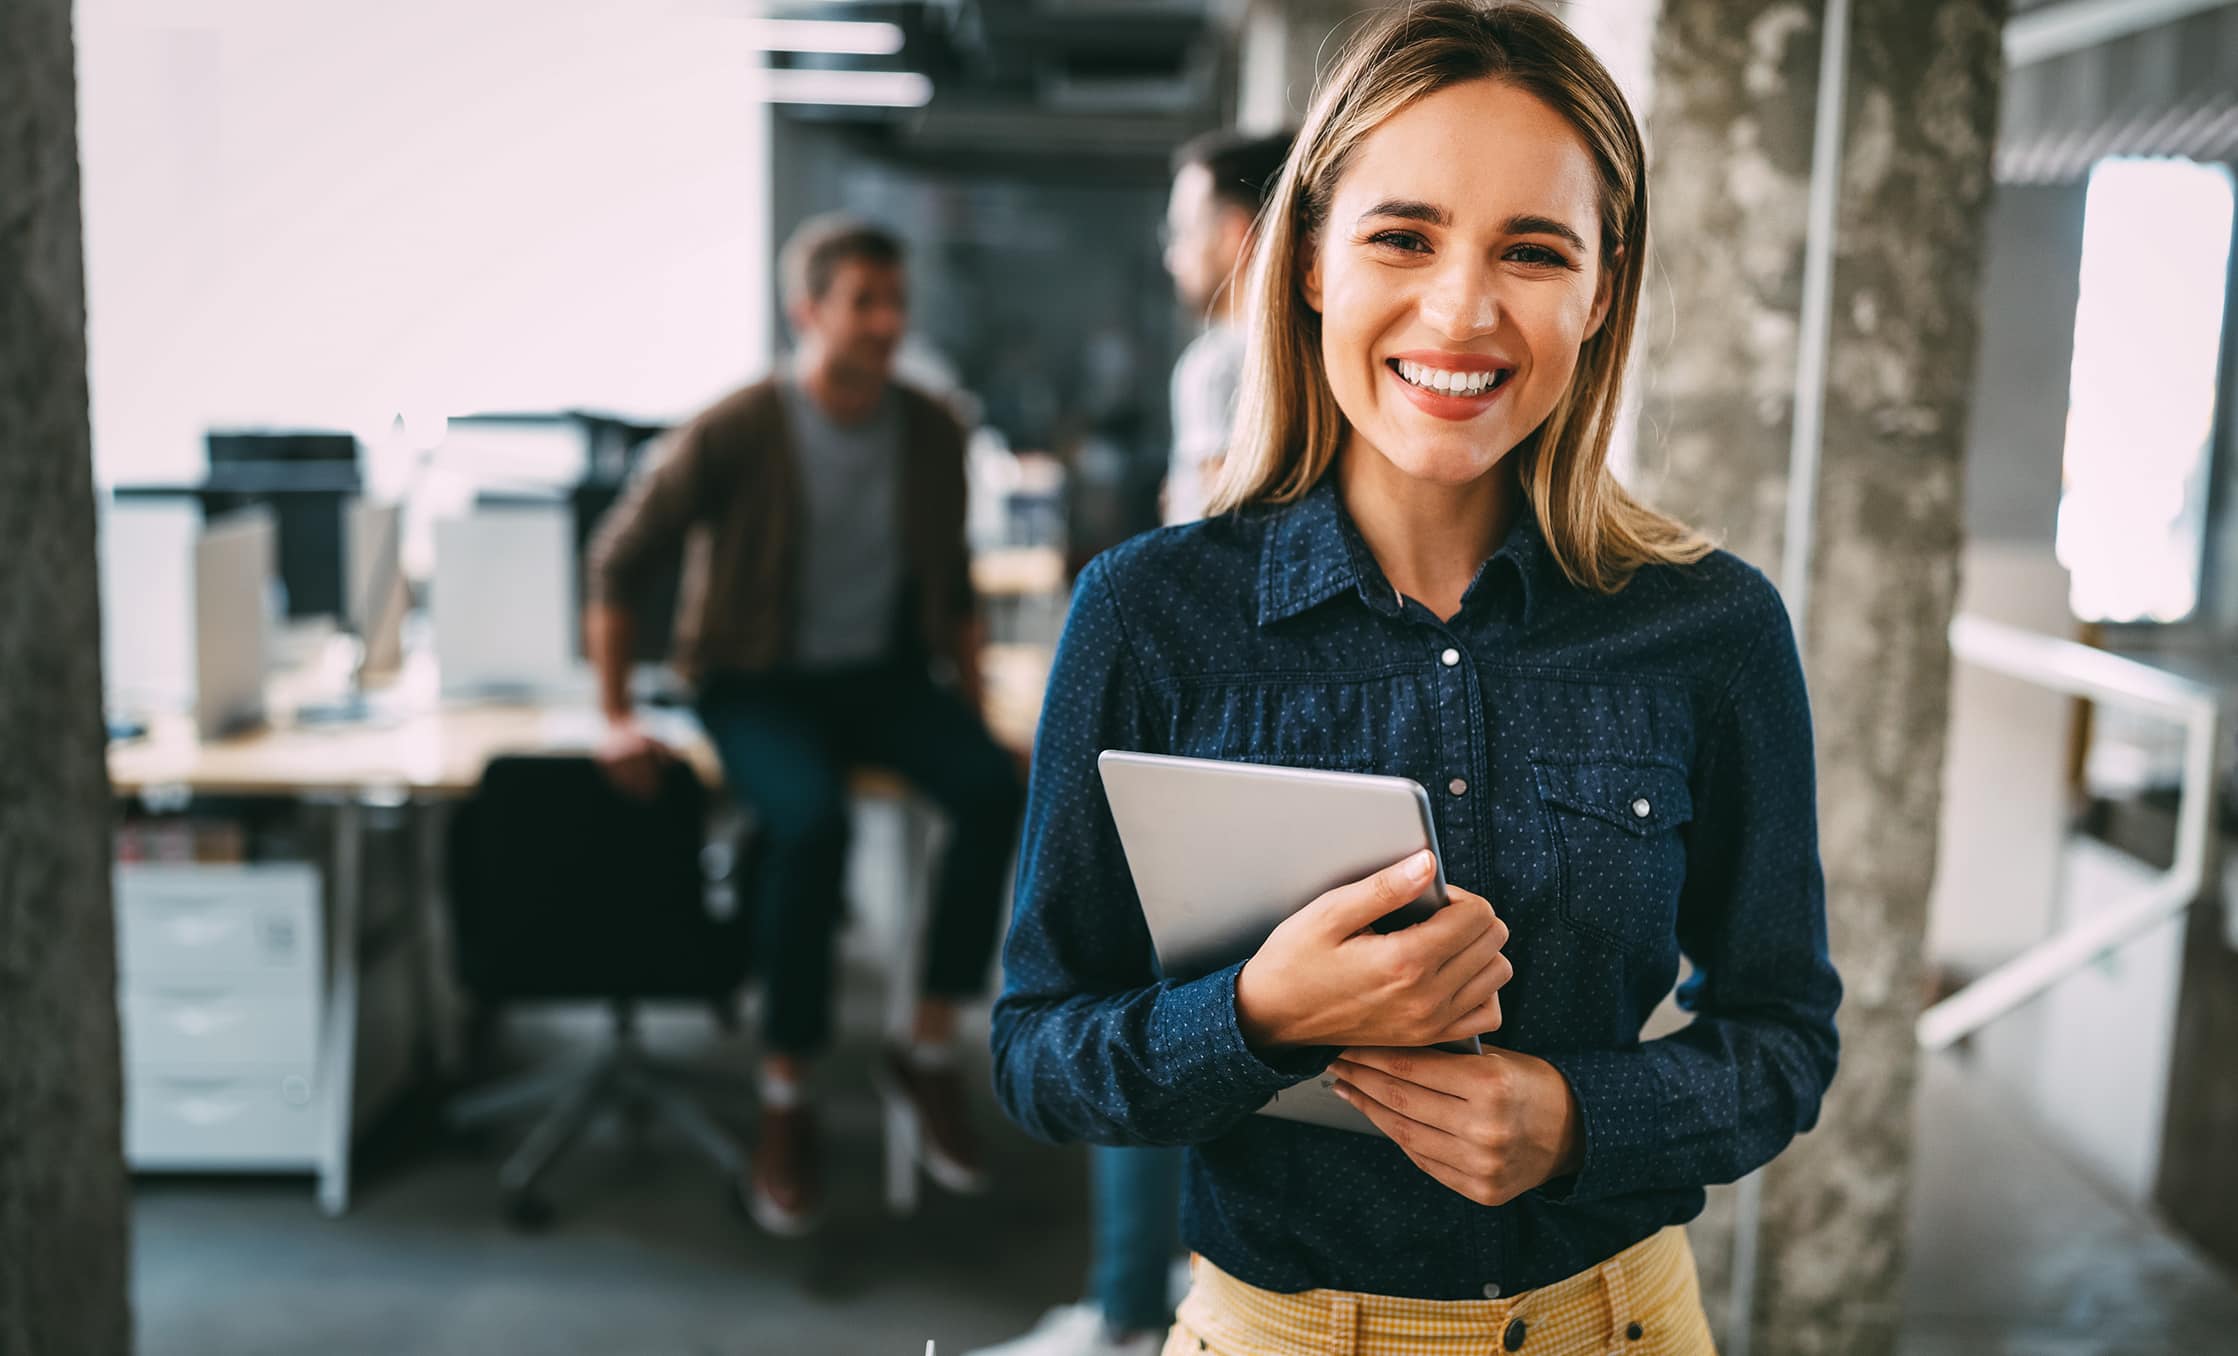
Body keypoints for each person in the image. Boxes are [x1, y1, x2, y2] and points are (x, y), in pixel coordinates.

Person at [992, 4, 1842, 1353]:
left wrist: (1581, 1120)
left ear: (1600, 290)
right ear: (1310, 259)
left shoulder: (1711, 628)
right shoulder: (1149, 616)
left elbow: (1784, 1035)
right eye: (1403, 236)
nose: (1461, 310)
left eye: (1533, 250)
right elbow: (1039, 1051)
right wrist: (1256, 1016)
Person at [586, 214, 1025, 1238]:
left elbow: (955, 588)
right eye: (864, 302)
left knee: (991, 788)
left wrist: (972, 717)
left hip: (882, 676)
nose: (886, 322)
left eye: (895, 301)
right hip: (754, 682)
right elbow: (619, 560)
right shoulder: (738, 426)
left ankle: (924, 1048)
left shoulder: (931, 428)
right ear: (807, 312)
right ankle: (786, 1091)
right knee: (809, 823)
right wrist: (614, 715)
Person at [969, 128, 1297, 1356]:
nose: (1172, 250)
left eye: (1186, 223)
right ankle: (1169, 1288)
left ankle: (1123, 1310)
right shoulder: (1311, 354)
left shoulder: (1226, 361)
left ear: (1243, 229)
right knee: (1235, 1013)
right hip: (1268, 718)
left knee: (1134, 997)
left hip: (1205, 716)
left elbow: (1210, 538)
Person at [1159, 130, 1297, 528]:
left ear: (1233, 233)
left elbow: (1220, 524)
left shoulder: (1215, 366)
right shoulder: (1317, 351)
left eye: (1182, 232)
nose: (1172, 257)